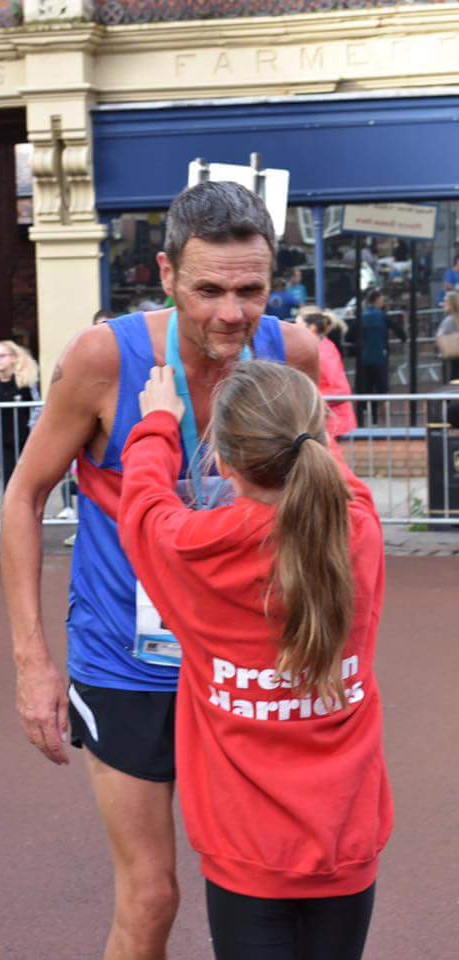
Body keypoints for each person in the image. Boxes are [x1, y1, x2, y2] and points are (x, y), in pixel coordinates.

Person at [0, 180, 319, 960]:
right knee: (150, 897)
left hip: (243, 668)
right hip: (126, 662)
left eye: (251, 289)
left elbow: (323, 514)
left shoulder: (294, 354)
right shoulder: (107, 357)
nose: (231, 314)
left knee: (267, 886)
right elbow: (24, 496)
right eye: (208, 288)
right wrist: (32, 662)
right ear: (168, 275)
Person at [117, 361, 392, 960]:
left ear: (222, 459)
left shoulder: (193, 550)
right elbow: (327, 469)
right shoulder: (360, 528)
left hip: (245, 847)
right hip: (346, 834)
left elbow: (140, 507)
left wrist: (159, 423)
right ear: (318, 441)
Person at [0, 340, 40, 490]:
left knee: (27, 479)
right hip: (3, 438)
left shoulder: (25, 380)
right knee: (8, 478)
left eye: (1, 356)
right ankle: (10, 510)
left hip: (25, 437)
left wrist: (32, 428)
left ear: (13, 358)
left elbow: (37, 406)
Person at [347, 289, 406, 425]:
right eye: (382, 300)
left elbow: (349, 336)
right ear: (377, 300)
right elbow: (399, 331)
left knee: (364, 392)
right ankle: (382, 423)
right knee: (382, 392)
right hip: (380, 358)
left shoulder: (361, 317)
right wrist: (403, 338)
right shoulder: (382, 316)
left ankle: (361, 423)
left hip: (363, 360)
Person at [299, 309, 357, 438]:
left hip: (331, 421)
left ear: (312, 328)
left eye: (299, 325)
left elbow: (341, 389)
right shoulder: (321, 347)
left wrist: (311, 399)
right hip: (326, 419)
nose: (295, 329)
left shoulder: (324, 352)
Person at [435, 291, 459, 382]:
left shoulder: (449, 320)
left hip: (451, 358)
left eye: (445, 301)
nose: (443, 304)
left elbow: (440, 336)